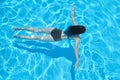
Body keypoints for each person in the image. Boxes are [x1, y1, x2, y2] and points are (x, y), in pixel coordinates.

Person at [13, 4, 86, 69]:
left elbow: (72, 16)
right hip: (56, 38)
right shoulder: (77, 38)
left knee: (37, 30)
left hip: (55, 30)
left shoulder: (74, 26)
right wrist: (77, 61)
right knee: (36, 38)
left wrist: (73, 8)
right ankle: (17, 36)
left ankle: (18, 28)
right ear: (80, 33)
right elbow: (75, 49)